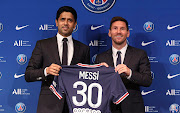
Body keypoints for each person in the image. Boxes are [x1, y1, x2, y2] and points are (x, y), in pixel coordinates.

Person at [25, 6, 90, 113]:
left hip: (75, 105)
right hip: (48, 105)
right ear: (56, 22)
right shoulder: (42, 45)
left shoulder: (84, 49)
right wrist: (46, 71)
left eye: (70, 20)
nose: (66, 23)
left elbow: (86, 78)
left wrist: (99, 69)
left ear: (75, 25)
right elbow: (28, 75)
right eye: (62, 19)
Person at [95, 16, 152, 113]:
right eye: (115, 28)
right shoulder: (100, 58)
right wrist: (101, 75)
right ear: (109, 33)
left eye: (122, 29)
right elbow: (95, 86)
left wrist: (130, 73)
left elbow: (147, 80)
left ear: (128, 33)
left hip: (132, 108)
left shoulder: (140, 54)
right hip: (108, 107)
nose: (118, 32)